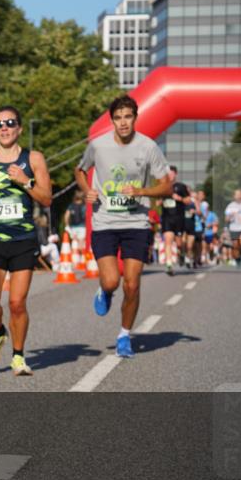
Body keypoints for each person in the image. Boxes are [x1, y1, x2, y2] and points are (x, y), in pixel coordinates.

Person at [75, 95, 172, 358]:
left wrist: (142, 191)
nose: (123, 122)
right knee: (111, 281)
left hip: (136, 223)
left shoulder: (148, 146)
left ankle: (124, 335)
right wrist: (86, 190)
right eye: (118, 118)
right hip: (105, 221)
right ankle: (105, 291)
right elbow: (80, 170)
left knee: (132, 284)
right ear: (112, 121)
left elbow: (166, 186)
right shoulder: (98, 146)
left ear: (135, 118)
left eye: (127, 116)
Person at [0, 107, 51, 377]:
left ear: (19, 129)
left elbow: (47, 198)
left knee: (17, 303)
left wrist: (25, 181)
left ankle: (18, 357)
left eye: (10, 123)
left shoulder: (33, 159)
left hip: (23, 240)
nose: (4, 127)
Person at [159, 166, 189, 275]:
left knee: (179, 243)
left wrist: (179, 198)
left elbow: (188, 200)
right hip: (167, 218)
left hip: (178, 218)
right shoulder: (163, 187)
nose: (170, 176)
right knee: (168, 240)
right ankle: (169, 265)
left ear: (175, 174)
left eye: (171, 174)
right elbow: (158, 201)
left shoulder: (181, 187)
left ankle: (182, 254)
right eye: (168, 174)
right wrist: (160, 201)